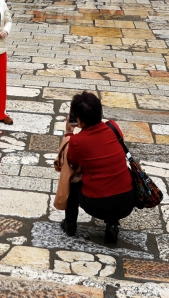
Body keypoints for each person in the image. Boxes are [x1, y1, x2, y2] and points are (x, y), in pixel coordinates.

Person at [56, 92, 134, 245]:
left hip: (96, 205)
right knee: (114, 175)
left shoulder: (77, 141)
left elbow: (70, 162)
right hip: (127, 201)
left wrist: (69, 133)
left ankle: (70, 223)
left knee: (72, 179)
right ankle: (112, 225)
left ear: (78, 119)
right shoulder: (113, 127)